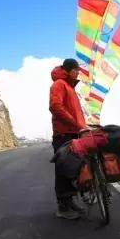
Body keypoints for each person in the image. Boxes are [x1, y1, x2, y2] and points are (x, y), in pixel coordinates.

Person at [49, 58, 87, 219]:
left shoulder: (69, 87)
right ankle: (63, 207)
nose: (78, 72)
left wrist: (82, 126)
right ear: (69, 69)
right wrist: (74, 123)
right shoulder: (59, 84)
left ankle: (70, 201)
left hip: (74, 133)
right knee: (64, 169)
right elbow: (55, 107)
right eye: (76, 69)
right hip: (63, 133)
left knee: (73, 169)